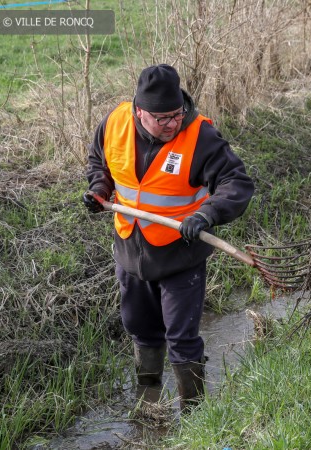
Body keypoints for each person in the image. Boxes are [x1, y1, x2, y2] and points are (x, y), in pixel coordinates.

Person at [83, 64, 254, 411]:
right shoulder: (114, 122)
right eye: (162, 118)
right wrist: (99, 188)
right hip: (131, 252)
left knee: (181, 337)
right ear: (139, 111)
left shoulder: (200, 136)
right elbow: (99, 161)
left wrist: (207, 213)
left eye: (176, 115)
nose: (172, 124)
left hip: (181, 255)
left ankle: (194, 415)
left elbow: (236, 182)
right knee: (140, 329)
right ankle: (150, 404)